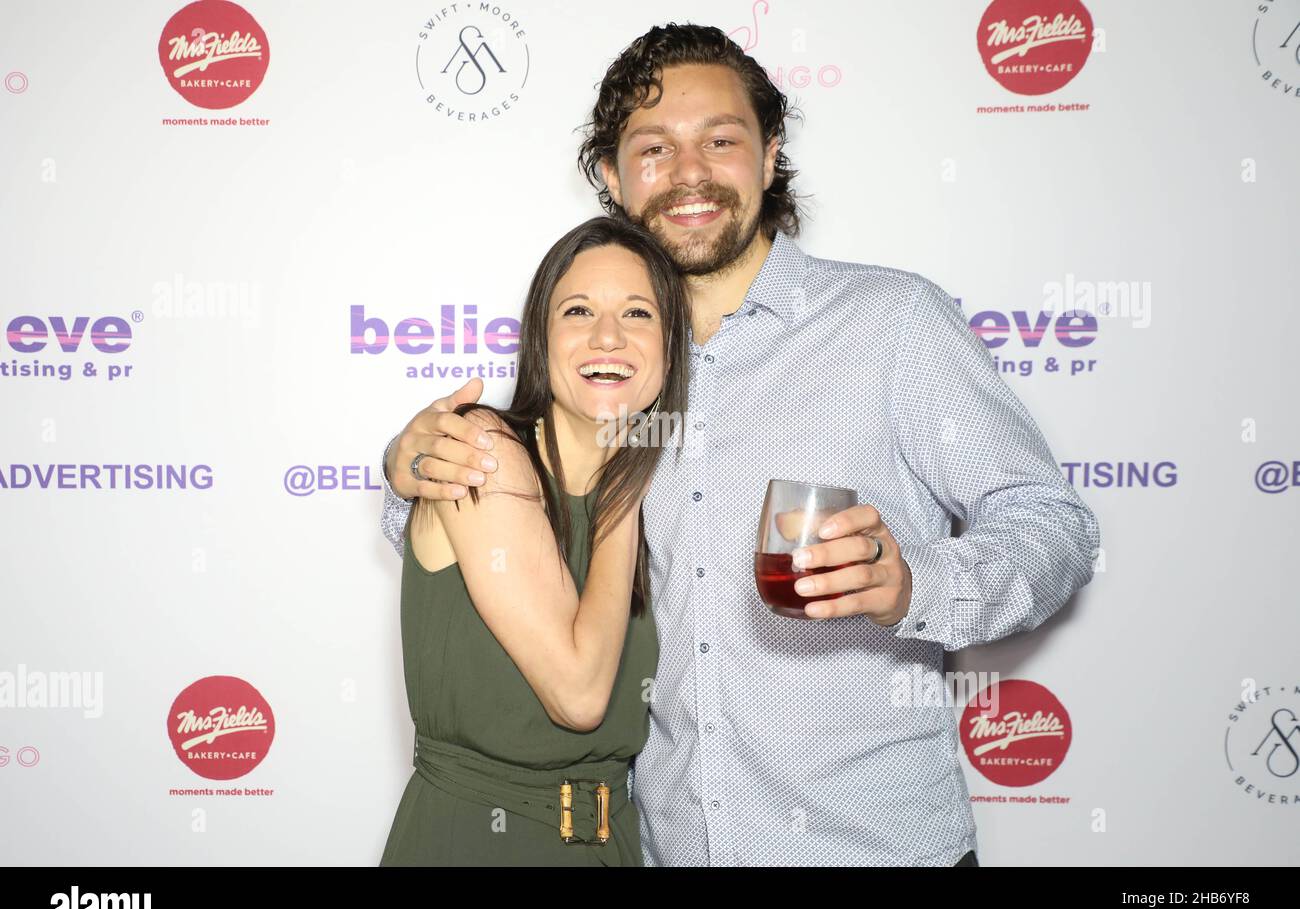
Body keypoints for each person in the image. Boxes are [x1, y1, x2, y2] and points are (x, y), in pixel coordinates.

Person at [378, 24, 1100, 866]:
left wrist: (916, 584)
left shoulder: (892, 325)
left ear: (770, 154)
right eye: (654, 148)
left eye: (721, 140)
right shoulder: (615, 371)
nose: (689, 173)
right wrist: (410, 471)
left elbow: (1052, 523)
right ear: (612, 176)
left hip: (871, 847)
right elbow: (502, 536)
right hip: (668, 848)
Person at [380, 215, 691, 865]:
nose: (608, 335)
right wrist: (624, 485)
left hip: (615, 843)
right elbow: (578, 695)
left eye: (637, 313)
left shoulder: (669, 483)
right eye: (578, 310)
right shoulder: (483, 449)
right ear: (540, 340)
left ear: (670, 346)